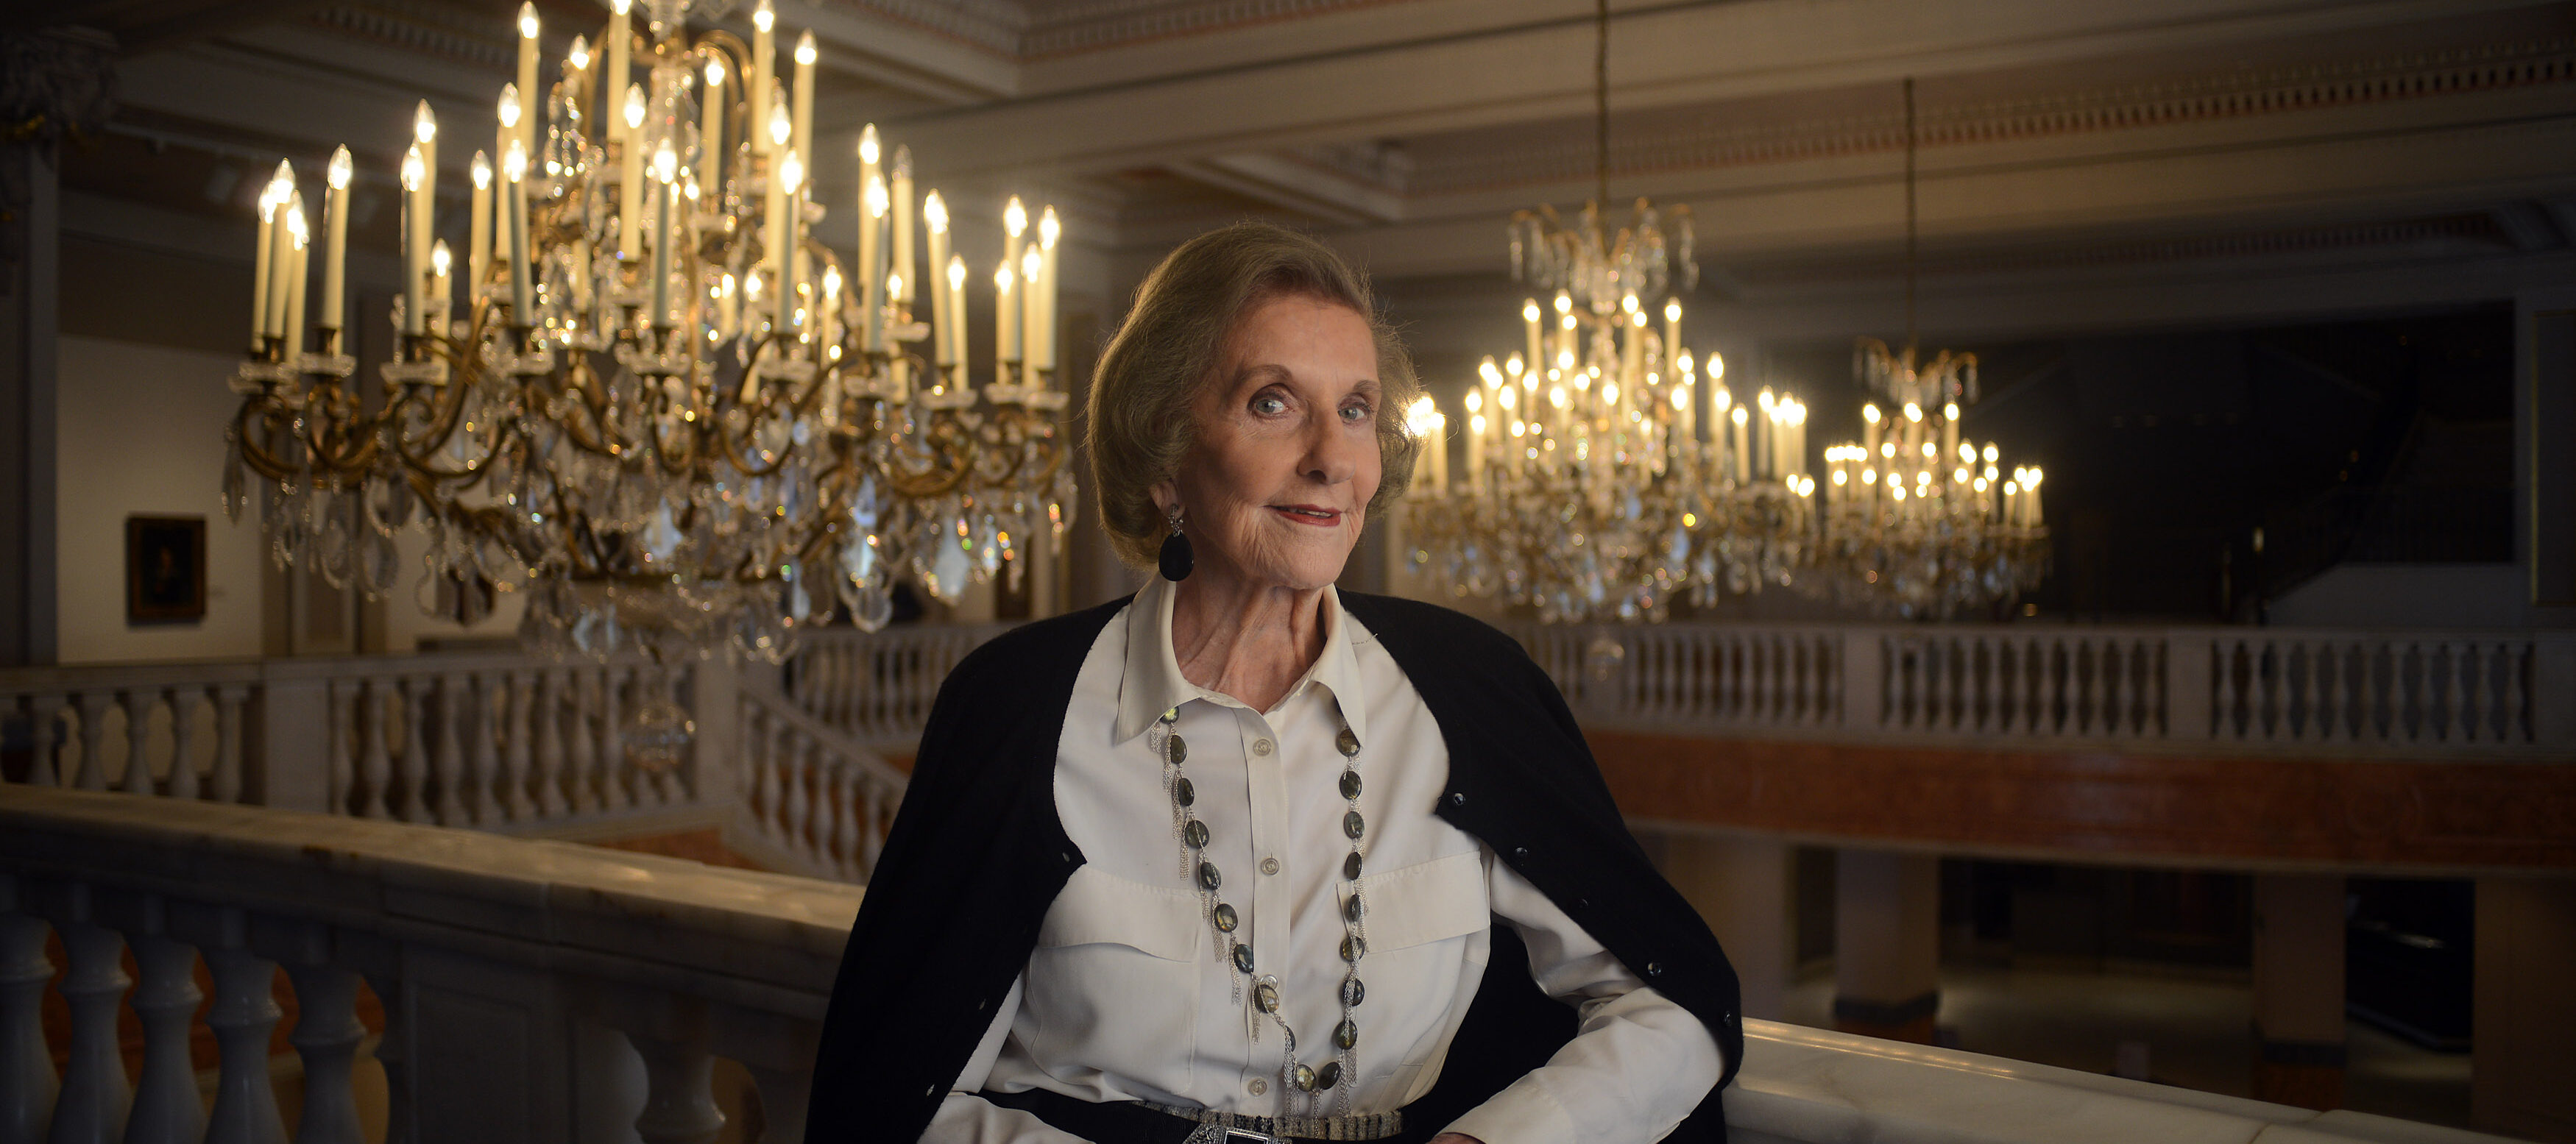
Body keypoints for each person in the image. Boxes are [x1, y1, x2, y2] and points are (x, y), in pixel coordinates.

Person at [807, 221, 1741, 1144]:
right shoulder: (1016, 706)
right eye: (1272, 403)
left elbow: (1669, 1002)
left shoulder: (1470, 690)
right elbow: (902, 1096)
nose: (1333, 459)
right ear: (1166, 451)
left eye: (1357, 410)